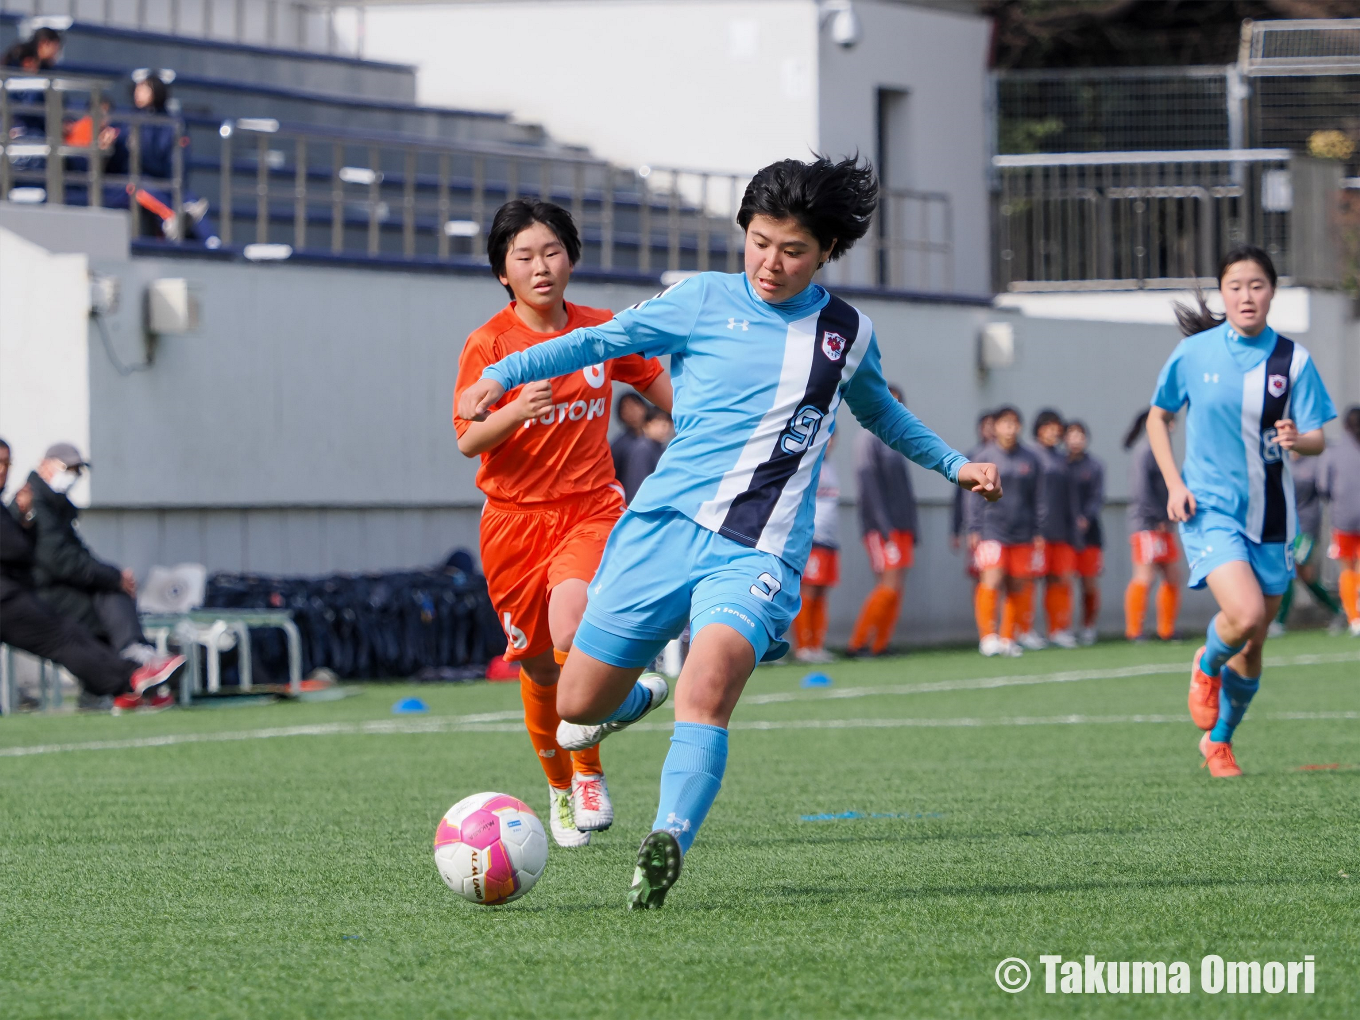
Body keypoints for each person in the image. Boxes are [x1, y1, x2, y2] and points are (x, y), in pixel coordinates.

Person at [458, 155, 1001, 909]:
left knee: (707, 685)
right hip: (661, 532)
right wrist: (504, 374)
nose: (772, 263)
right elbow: (596, 342)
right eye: (759, 241)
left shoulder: (846, 333)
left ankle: (667, 840)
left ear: (827, 254)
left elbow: (879, 411)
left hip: (758, 547)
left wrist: (953, 463)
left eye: (793, 250)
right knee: (576, 702)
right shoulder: (699, 300)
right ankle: (629, 700)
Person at [453, 198, 672, 849]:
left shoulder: (602, 330)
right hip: (514, 524)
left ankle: (592, 768)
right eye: (524, 256)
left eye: (552, 251)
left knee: (572, 620)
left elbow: (667, 394)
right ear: (503, 271)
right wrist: (517, 410)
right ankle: (561, 789)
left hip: (591, 508)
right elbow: (467, 440)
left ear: (571, 258)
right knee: (542, 670)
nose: (541, 266)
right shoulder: (489, 344)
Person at [1148, 246, 1335, 778]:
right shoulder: (1194, 354)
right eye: (1235, 286)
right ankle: (1205, 665)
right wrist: (1174, 483)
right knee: (1247, 613)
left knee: (1252, 644)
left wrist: (1302, 438)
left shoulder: (1292, 361)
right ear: (1224, 293)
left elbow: (1320, 434)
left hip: (1273, 519)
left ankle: (1220, 741)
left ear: (1272, 292)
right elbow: (1158, 420)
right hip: (1210, 511)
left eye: (1256, 285)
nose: (1246, 295)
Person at [0, 440, 181, 711]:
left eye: (6, 463)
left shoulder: (42, 504)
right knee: (65, 635)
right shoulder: (35, 500)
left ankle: (126, 677)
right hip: (16, 595)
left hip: (18, 593)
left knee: (80, 624)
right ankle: (132, 677)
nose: (3, 470)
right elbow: (37, 554)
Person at [28, 443, 164, 667]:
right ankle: (133, 660)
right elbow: (59, 559)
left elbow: (77, 554)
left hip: (55, 584)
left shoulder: (56, 505)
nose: (74, 476)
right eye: (68, 469)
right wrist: (113, 577)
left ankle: (131, 661)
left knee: (110, 595)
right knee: (105, 608)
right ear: (44, 466)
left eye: (78, 470)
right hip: (41, 589)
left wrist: (113, 576)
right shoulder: (36, 503)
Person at [847, 384, 918, 657]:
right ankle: (857, 644)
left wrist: (912, 528)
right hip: (881, 527)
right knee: (887, 586)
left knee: (897, 587)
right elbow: (868, 487)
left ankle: (880, 645)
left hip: (902, 526)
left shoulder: (896, 441)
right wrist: (884, 527)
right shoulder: (867, 438)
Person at [967, 406, 1038, 657]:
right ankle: (988, 637)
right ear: (995, 427)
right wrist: (973, 528)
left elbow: (1038, 498)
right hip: (991, 529)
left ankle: (1009, 637)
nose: (1010, 428)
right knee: (992, 579)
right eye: (1005, 423)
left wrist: (1038, 530)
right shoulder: (983, 455)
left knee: (1018, 583)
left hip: (1023, 531)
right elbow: (973, 497)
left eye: (1014, 423)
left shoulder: (1030, 459)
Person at [1123, 409, 1180, 641]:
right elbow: (1141, 490)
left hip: (1161, 523)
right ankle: (1134, 631)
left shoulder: (1160, 449)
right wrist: (1158, 518)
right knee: (1144, 576)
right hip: (1148, 524)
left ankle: (1166, 629)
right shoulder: (1145, 450)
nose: (1172, 426)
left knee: (1172, 576)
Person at [1271, 448, 1343, 633]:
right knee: (1306, 576)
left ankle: (1279, 622)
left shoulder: (1314, 462)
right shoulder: (1280, 461)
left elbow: (1326, 489)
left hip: (1306, 528)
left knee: (1291, 568)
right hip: (1284, 528)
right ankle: (1338, 611)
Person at [1030, 408, 1079, 649]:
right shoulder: (1030, 456)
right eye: (1049, 427)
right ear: (1039, 429)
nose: (1054, 432)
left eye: (1057, 427)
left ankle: (1058, 629)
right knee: (1029, 580)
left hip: (1062, 529)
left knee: (1060, 580)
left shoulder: (1062, 459)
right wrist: (1034, 528)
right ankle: (1023, 629)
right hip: (1037, 531)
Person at [793, 435, 839, 664]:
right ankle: (803, 647)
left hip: (830, 540)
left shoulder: (830, 467)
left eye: (833, 438)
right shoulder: (809, 464)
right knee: (808, 593)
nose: (829, 443)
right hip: (813, 539)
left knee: (822, 593)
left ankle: (817, 646)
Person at [1320, 405, 1360, 635]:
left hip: (1343, 519)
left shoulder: (1334, 450)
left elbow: (1323, 486)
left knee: (1347, 569)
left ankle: (1354, 619)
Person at [1066, 420, 1104, 646]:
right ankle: (1063, 628)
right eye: (1072, 435)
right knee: (1063, 582)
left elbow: (1097, 498)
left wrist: (1085, 518)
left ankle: (1088, 626)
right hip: (1064, 534)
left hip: (1090, 534)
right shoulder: (1059, 465)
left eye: (1080, 435)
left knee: (1089, 583)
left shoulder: (1095, 466)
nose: (1076, 440)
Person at [610, 392, 651, 502]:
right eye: (626, 408)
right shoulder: (619, 445)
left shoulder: (655, 439)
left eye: (635, 404)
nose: (632, 411)